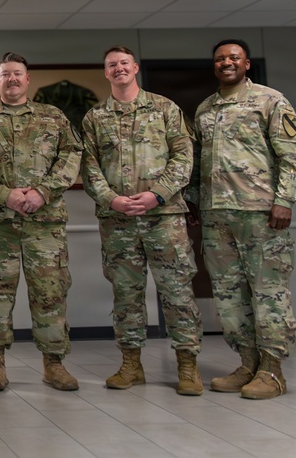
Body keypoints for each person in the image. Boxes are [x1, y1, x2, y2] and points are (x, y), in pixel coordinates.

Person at [0, 51, 82, 392]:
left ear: (28, 80)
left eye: (18, 74)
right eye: (5, 74)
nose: (12, 79)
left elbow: (71, 157)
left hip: (45, 222)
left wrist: (42, 192)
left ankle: (53, 363)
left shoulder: (52, 117)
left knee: (50, 292)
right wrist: (3, 194)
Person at [191, 39, 296, 400]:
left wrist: (285, 199)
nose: (226, 63)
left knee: (268, 292)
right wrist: (194, 201)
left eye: (233, 57)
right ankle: (247, 363)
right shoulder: (205, 109)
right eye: (219, 59)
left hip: (260, 214)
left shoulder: (270, 100)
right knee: (228, 296)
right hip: (216, 217)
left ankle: (272, 371)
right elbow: (198, 163)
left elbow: (295, 155)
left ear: (246, 64)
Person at [81, 46, 204, 396]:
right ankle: (131, 364)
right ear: (105, 73)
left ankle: (187, 363)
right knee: (126, 295)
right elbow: (89, 167)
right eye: (111, 66)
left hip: (163, 217)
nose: (118, 69)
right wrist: (112, 199)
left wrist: (158, 194)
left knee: (177, 291)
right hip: (117, 221)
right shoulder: (95, 118)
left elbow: (184, 156)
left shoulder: (165, 108)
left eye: (123, 63)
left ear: (134, 67)